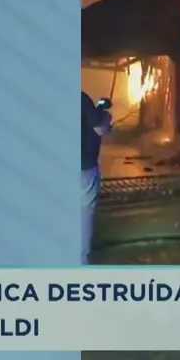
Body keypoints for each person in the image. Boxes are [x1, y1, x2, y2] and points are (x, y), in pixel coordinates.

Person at [81, 91, 113, 264]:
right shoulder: (81, 99)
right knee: (83, 215)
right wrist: (105, 115)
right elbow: (100, 128)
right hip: (83, 169)